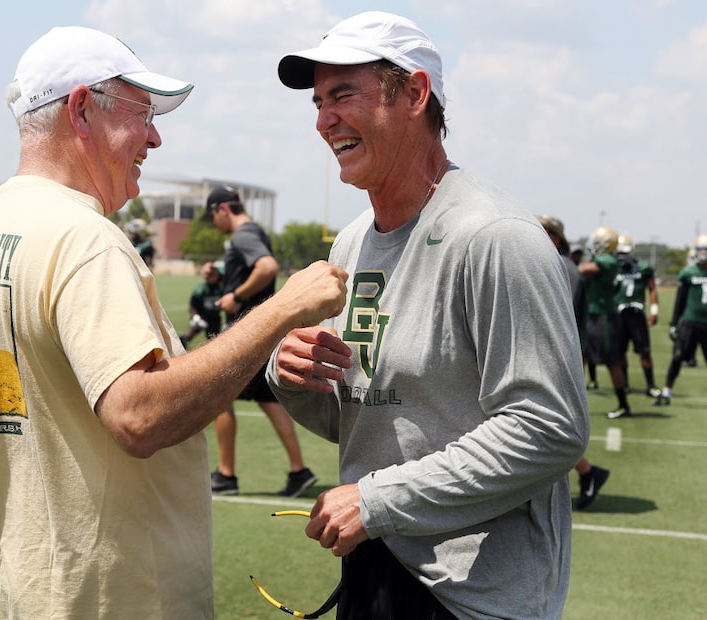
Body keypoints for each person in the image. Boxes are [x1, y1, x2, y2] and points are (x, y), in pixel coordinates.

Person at [0, 26, 347, 618]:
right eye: (142, 111)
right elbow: (138, 414)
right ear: (81, 108)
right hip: (111, 595)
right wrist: (280, 310)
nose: (155, 137)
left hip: (26, 586)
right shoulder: (83, 238)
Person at [266, 12, 589, 619]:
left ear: (415, 94)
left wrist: (378, 499)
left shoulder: (494, 236)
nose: (323, 119)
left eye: (343, 95)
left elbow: (549, 428)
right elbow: (358, 419)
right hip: (373, 567)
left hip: (474, 595)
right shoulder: (352, 243)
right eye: (318, 102)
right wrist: (293, 376)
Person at [203, 185, 319, 497]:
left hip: (248, 333)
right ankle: (299, 471)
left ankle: (226, 475)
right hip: (262, 334)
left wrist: (236, 295)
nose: (214, 223)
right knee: (268, 401)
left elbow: (267, 267)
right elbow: (253, 269)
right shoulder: (251, 233)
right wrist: (221, 276)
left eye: (212, 216)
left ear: (223, 209)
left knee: (218, 395)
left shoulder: (242, 235)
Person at [538, 215, 609, 510]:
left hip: (555, 355)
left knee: (546, 422)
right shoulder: (562, 265)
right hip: (554, 353)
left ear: (554, 237)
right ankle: (587, 472)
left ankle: (588, 472)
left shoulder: (561, 267)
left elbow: (555, 318)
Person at [579, 226, 634, 419]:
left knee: (612, 362)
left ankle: (623, 404)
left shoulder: (608, 259)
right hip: (592, 315)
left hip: (603, 317)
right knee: (580, 358)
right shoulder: (603, 259)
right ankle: (574, 405)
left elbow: (583, 269)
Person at [654, 234, 707, 406]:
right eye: (700, 249)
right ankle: (667, 391)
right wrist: (674, 323)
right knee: (677, 357)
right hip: (690, 322)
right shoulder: (689, 272)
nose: (702, 253)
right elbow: (680, 300)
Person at [614, 234, 661, 397]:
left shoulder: (643, 267)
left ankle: (651, 385)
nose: (622, 256)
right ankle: (625, 384)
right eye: (619, 253)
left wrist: (654, 310)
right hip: (618, 314)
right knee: (619, 352)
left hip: (636, 314)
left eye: (624, 252)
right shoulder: (613, 267)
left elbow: (652, 288)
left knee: (645, 351)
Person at [179, 260, 224, 348]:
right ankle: (182, 343)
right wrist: (196, 317)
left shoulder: (221, 287)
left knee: (213, 340)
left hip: (214, 318)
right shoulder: (201, 289)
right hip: (201, 316)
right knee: (190, 334)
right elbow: (193, 305)